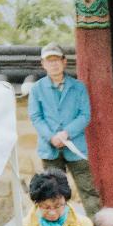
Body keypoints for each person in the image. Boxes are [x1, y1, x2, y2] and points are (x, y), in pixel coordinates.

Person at [28, 44, 100, 214]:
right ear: (43, 64)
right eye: (49, 61)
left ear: (64, 61)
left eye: (57, 60)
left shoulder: (78, 87)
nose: (53, 64)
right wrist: (52, 137)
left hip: (75, 146)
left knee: (87, 188)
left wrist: (66, 133)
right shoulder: (37, 89)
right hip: (50, 147)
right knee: (52, 192)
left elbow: (85, 115)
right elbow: (36, 117)